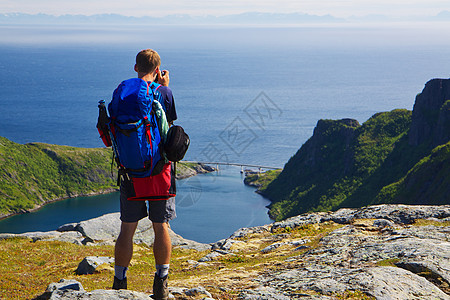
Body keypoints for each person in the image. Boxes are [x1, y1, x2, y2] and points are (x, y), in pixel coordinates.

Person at [112, 49, 177, 300]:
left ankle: (119, 282)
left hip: (130, 173)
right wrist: (164, 87)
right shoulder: (163, 92)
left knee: (127, 229)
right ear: (158, 69)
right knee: (160, 226)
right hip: (159, 172)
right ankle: (161, 282)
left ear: (135, 68)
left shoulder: (122, 94)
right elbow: (169, 129)